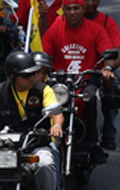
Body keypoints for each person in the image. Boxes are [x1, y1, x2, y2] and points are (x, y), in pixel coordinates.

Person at [41, 0, 117, 165]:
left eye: (76, 8)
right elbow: (45, 53)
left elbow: (109, 54)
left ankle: (95, 143)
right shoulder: (56, 29)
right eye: (68, 9)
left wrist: (107, 67)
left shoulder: (95, 29)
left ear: (83, 10)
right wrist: (43, 69)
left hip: (86, 81)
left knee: (93, 97)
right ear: (63, 11)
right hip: (60, 82)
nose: (72, 12)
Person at [0, 51, 64, 190]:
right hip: (6, 147)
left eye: (34, 74)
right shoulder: (1, 92)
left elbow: (56, 113)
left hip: (35, 144)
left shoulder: (44, 90)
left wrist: (57, 125)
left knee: (45, 164)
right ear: (12, 77)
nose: (32, 78)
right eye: (26, 75)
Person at [79, 0, 120, 151]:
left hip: (97, 73)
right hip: (73, 73)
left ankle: (108, 133)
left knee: (111, 92)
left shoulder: (107, 23)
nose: (90, 3)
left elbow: (117, 52)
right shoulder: (68, 19)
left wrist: (108, 68)